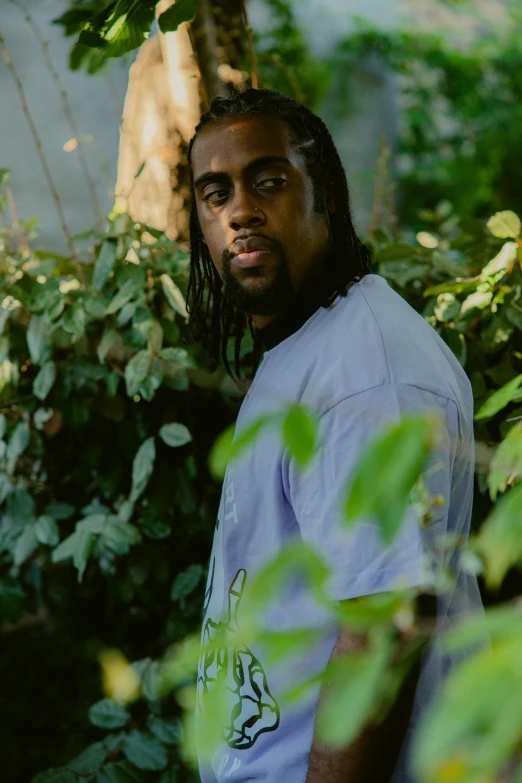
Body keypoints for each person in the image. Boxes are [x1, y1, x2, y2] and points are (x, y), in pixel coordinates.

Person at [185, 88, 482, 783]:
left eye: (268, 181)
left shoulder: (366, 375)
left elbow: (385, 624)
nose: (240, 211)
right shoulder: (313, 342)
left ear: (327, 194)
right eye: (214, 192)